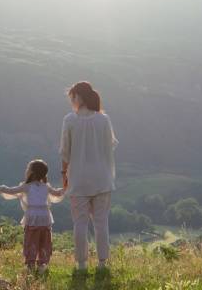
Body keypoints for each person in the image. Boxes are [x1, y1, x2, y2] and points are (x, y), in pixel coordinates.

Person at [59, 81, 118, 271]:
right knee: (101, 223)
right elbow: (110, 145)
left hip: (78, 178)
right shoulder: (103, 119)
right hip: (102, 178)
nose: (72, 102)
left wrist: (64, 174)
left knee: (80, 223)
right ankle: (103, 263)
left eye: (72, 98)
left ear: (78, 97)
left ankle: (82, 264)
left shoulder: (70, 120)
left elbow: (65, 152)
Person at [0, 159, 66, 273]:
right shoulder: (46, 186)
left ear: (32, 172)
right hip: (45, 217)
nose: (26, 170)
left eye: (28, 168)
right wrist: (65, 187)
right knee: (45, 240)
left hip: (33, 217)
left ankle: (30, 265)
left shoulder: (27, 186)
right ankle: (42, 264)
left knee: (31, 240)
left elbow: (11, 191)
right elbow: (57, 193)